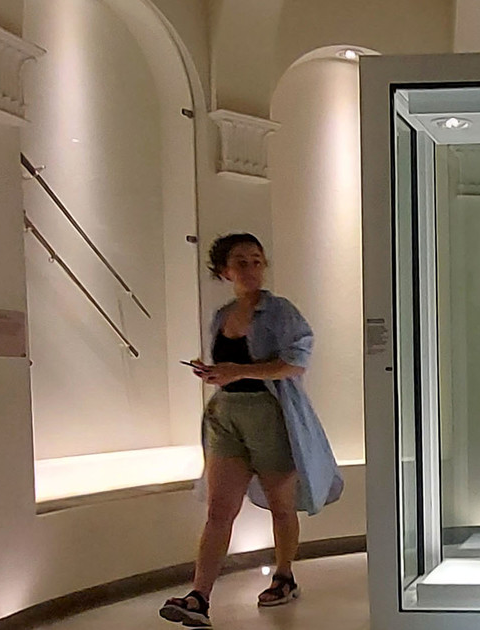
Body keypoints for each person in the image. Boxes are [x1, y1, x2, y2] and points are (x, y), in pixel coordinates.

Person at [159, 233, 343, 628]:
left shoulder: (281, 312)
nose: (251, 269)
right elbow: (232, 368)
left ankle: (284, 575)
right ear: (225, 270)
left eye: (256, 260)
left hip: (270, 413)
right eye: (241, 262)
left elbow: (295, 363)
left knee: (281, 504)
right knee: (219, 510)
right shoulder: (222, 315)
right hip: (225, 414)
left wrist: (238, 371)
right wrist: (215, 373)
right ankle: (199, 596)